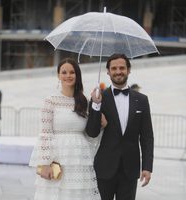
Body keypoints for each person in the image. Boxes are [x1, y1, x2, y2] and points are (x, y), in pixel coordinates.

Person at [29, 58, 101, 200]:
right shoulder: (50, 101)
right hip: (58, 157)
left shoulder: (84, 101)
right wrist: (45, 163)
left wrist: (97, 109)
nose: (68, 75)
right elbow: (45, 133)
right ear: (58, 75)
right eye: (64, 72)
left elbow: (91, 134)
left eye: (72, 72)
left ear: (77, 75)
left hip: (79, 157)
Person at [86, 53, 154, 200]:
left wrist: (147, 167)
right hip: (104, 168)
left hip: (130, 170)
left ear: (129, 70)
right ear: (108, 71)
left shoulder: (142, 100)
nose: (118, 71)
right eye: (114, 68)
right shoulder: (98, 98)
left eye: (122, 68)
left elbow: (147, 136)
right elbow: (91, 132)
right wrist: (96, 105)